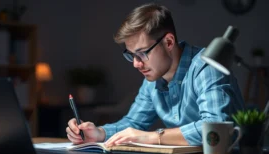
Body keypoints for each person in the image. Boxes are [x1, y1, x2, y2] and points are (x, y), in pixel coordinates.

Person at [66, 3, 244, 146]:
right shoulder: (152, 78)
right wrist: (99, 133)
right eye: (131, 55)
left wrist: (152, 137)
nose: (136, 63)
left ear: (168, 42)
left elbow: (216, 126)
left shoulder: (206, 67)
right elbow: (133, 124)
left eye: (142, 53)